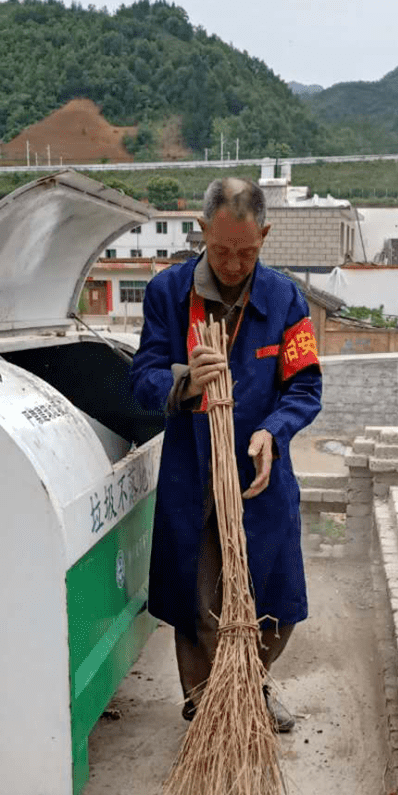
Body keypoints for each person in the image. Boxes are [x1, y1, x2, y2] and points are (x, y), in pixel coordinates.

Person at [129, 177, 322, 732]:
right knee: (198, 601)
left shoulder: (285, 299)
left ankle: (250, 686)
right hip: (194, 476)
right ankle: (205, 700)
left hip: (259, 478)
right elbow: (141, 378)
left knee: (277, 598)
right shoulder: (169, 294)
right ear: (201, 232)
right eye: (221, 251)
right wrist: (184, 381)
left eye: (247, 251)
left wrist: (272, 432)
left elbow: (305, 388)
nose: (234, 264)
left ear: (264, 235)